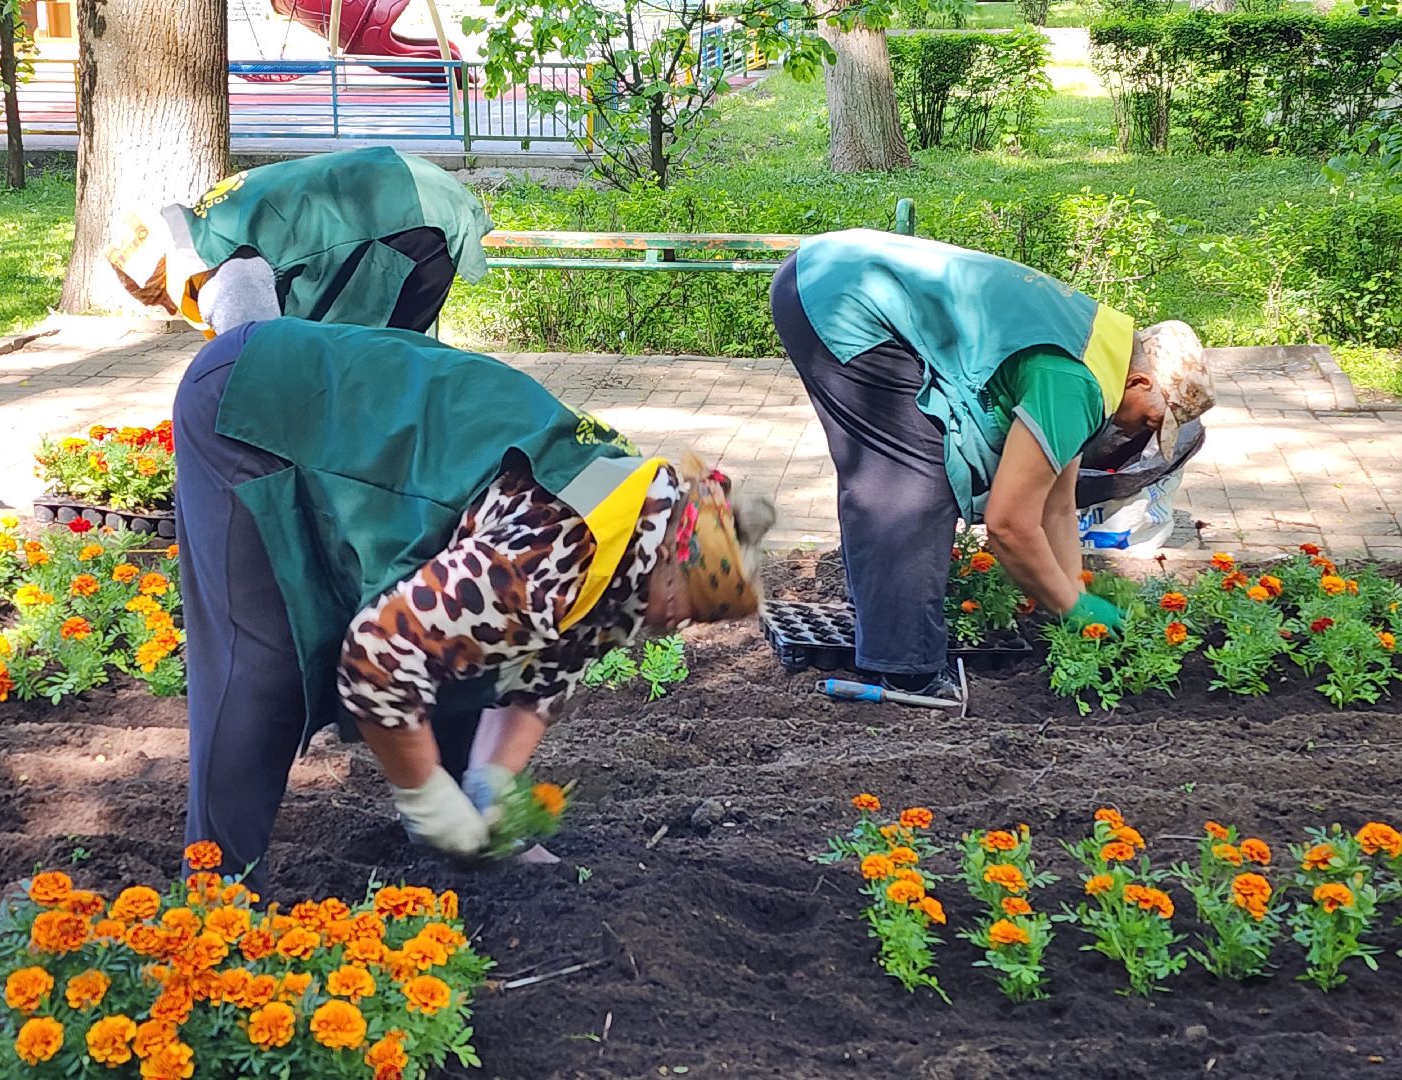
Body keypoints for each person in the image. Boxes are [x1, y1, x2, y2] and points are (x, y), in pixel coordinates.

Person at [174, 317, 774, 892]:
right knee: (264, 667)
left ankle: (465, 824)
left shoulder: (628, 538)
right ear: (671, 554)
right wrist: (427, 797)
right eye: (691, 604)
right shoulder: (558, 545)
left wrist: (492, 786)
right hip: (260, 403)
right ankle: (215, 894)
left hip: (352, 425)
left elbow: (545, 668)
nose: (682, 624)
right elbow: (379, 658)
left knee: (467, 646)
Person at [770, 229, 1215, 703]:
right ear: (1140, 382)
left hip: (831, 272)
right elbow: (1008, 525)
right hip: (835, 294)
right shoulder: (1074, 383)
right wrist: (1072, 606)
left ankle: (884, 620)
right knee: (914, 479)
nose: (1137, 432)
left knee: (898, 467)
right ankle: (906, 673)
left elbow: (1057, 504)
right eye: (1150, 421)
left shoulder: (1100, 352)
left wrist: (1072, 595)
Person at [107, 147, 493, 337]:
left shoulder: (223, 279)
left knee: (369, 364)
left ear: (166, 281)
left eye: (161, 300)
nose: (170, 308)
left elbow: (258, 362)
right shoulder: (215, 220)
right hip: (405, 186)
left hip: (405, 218)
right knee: (360, 361)